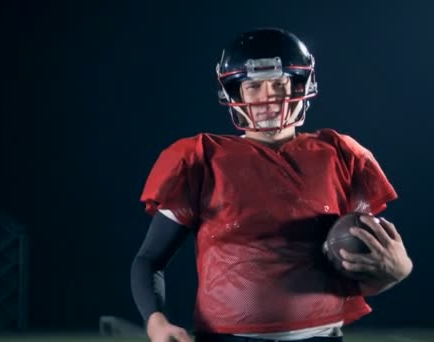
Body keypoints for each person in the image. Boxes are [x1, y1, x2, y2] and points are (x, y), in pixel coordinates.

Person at [130, 27, 413, 342]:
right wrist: (156, 321)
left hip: (321, 336)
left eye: (279, 84)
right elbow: (150, 260)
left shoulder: (341, 154)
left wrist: (397, 272)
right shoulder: (200, 159)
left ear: (301, 86)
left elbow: (357, 256)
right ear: (235, 94)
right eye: (254, 87)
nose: (267, 97)